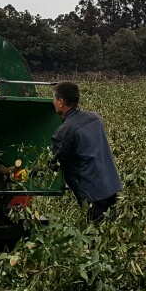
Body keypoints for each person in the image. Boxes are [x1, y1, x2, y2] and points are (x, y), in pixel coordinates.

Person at [50, 81, 122, 223]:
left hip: (93, 193)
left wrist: (31, 171)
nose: (53, 103)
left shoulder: (65, 131)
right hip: (112, 186)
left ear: (61, 102)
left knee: (95, 231)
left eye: (54, 99)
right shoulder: (94, 118)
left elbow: (53, 162)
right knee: (111, 228)